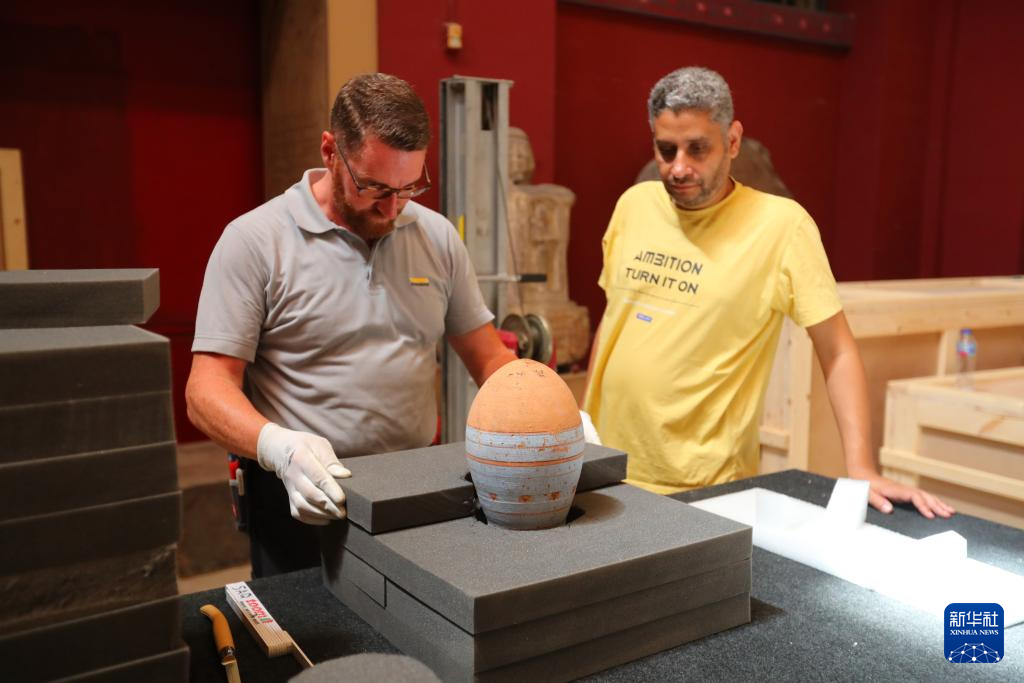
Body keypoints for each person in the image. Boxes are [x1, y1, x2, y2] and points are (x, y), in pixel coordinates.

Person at [185, 73, 521, 577]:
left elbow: (489, 356)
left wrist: (543, 409)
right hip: (300, 496)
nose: (392, 208)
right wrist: (279, 448)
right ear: (330, 151)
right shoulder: (255, 242)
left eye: (409, 187)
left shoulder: (437, 238)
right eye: (374, 187)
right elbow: (205, 390)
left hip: (414, 491)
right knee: (304, 625)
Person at [583, 66, 953, 519]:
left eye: (697, 149)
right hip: (606, 470)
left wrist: (862, 468)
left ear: (732, 141)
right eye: (666, 150)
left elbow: (837, 350)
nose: (678, 167)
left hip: (703, 488)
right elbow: (615, 319)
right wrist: (582, 436)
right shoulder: (633, 205)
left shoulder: (782, 227)